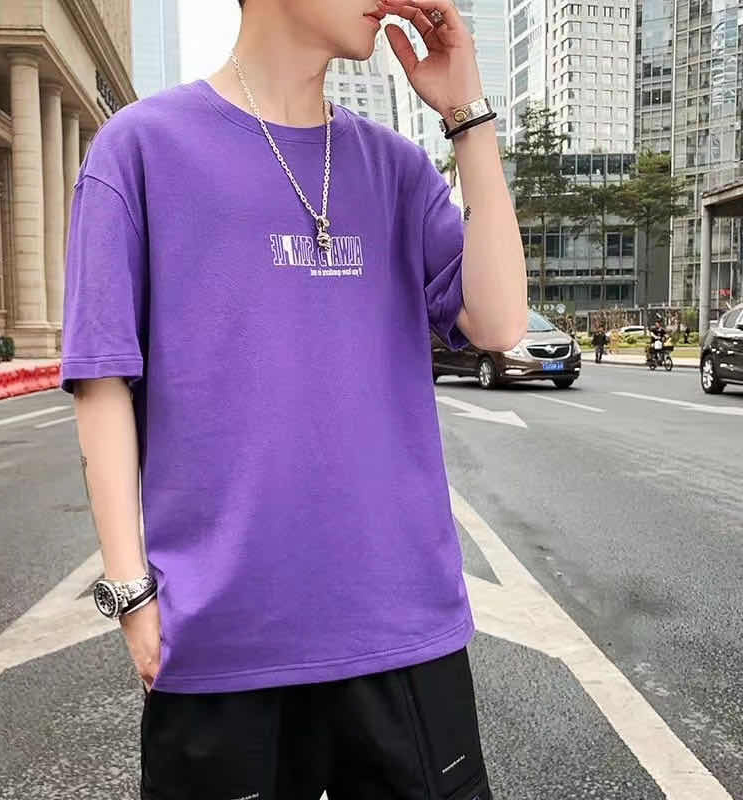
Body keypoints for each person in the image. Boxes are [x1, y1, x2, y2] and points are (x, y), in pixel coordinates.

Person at [60, 0, 527, 798]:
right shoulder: (139, 150)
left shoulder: (396, 168)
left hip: (401, 632)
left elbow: (499, 321)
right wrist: (132, 593)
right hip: (222, 640)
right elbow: (102, 378)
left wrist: (467, 118)